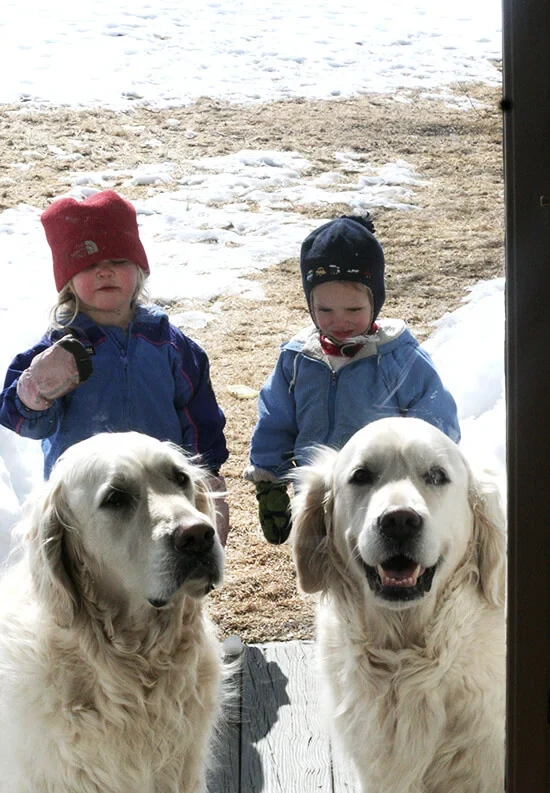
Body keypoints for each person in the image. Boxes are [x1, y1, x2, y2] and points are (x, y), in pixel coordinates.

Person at [0, 190, 230, 543]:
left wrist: (205, 475)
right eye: (89, 264)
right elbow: (24, 421)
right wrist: (34, 392)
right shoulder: (59, 348)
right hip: (90, 500)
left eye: (119, 261)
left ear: (139, 270)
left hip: (161, 492)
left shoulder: (167, 342)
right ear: (69, 281)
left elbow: (199, 414)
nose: (105, 271)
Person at [244, 214, 460, 544]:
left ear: (375, 302)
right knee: (327, 573)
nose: (340, 321)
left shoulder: (396, 358)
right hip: (319, 494)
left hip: (381, 498)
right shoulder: (299, 359)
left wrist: (430, 477)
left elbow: (434, 420)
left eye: (354, 310)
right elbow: (276, 419)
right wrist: (269, 478)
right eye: (325, 310)